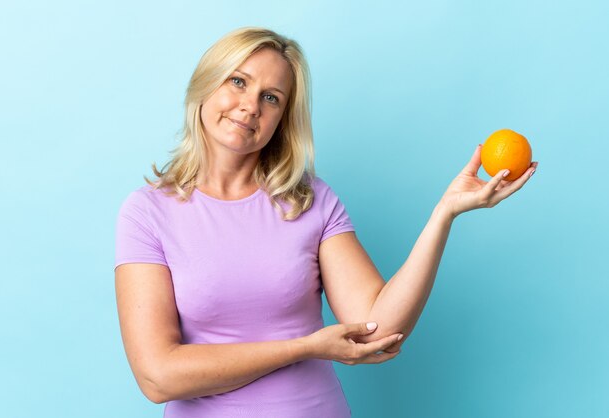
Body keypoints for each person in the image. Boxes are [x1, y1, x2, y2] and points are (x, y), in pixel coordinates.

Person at [114, 27, 538, 418]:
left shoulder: (311, 201)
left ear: (282, 118)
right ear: (207, 84)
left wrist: (444, 214)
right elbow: (158, 376)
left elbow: (377, 330)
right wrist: (303, 348)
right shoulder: (148, 213)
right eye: (238, 81)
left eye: (271, 97)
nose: (249, 106)